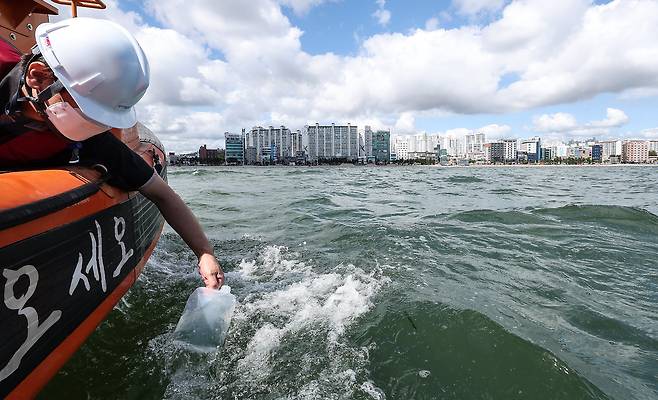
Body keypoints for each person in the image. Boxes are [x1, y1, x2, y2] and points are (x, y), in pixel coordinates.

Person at [0, 17, 224, 289]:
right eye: (85, 110)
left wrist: (204, 252)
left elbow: (162, 194)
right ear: (38, 77)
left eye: (99, 117)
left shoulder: (90, 140)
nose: (91, 124)